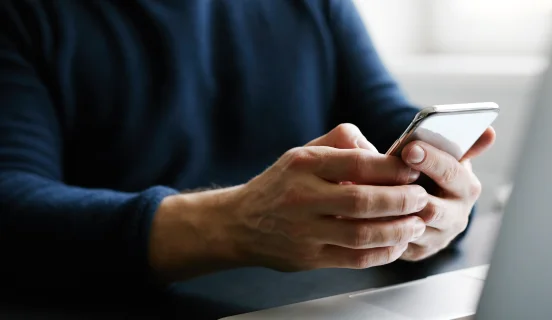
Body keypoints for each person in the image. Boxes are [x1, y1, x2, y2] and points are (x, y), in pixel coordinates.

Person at [0, 0, 495, 292]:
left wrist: (440, 199)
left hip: (317, 301)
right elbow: (12, 204)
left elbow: (391, 124)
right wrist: (232, 225)